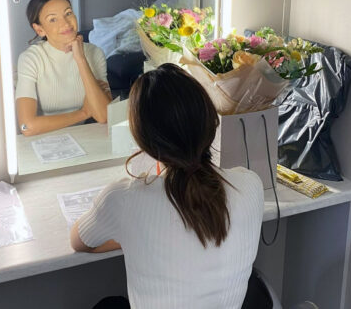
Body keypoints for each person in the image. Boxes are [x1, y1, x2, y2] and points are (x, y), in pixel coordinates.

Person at [70, 64, 264, 309]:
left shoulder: (124, 198)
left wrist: (133, 236)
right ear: (209, 121)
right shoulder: (250, 185)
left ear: (143, 138)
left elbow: (81, 242)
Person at [16, 0, 112, 136]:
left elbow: (104, 115)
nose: (66, 23)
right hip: (43, 139)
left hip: (82, 136)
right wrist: (84, 113)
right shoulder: (31, 59)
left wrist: (80, 59)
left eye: (68, 13)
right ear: (39, 29)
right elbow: (26, 127)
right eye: (53, 19)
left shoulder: (94, 53)